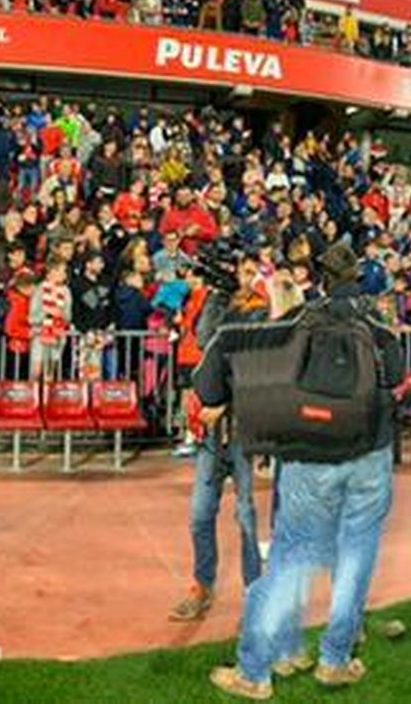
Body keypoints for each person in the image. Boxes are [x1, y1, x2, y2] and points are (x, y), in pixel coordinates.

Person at [209, 243, 405, 698]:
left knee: (290, 555)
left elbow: (252, 362)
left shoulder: (302, 318)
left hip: (313, 453)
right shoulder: (377, 323)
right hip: (370, 455)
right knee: (356, 556)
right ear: (357, 279)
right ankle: (335, 660)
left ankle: (256, 670)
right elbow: (396, 377)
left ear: (320, 277)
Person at [168, 261, 270, 624]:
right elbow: (204, 341)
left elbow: (253, 370)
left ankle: (255, 594)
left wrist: (224, 404)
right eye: (238, 273)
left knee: (246, 515)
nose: (241, 279)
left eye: (248, 272)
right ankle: (202, 586)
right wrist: (216, 297)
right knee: (200, 514)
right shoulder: (220, 306)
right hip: (212, 435)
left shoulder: (260, 312)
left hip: (241, 429)